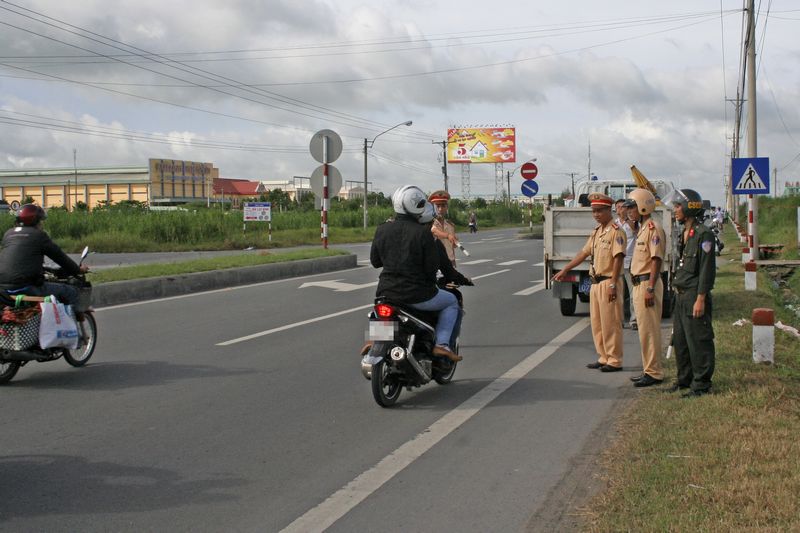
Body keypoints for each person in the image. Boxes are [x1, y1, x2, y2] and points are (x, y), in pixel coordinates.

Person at [368, 185, 462, 362]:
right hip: (417, 295)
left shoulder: (382, 229)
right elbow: (430, 269)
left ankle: (376, 341)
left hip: (386, 292)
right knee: (451, 301)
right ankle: (442, 345)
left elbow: (375, 262)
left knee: (381, 308)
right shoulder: (423, 233)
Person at [553, 193, 626, 372]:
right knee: (597, 323)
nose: (596, 214)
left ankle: (614, 360)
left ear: (609, 210)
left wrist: (613, 284)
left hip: (608, 281)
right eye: (593, 211)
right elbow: (583, 254)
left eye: (600, 211)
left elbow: (618, 259)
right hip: (595, 283)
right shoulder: (596, 232)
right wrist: (565, 269)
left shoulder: (616, 231)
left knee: (611, 324)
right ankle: (603, 357)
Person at [665, 188, 716, 397]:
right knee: (681, 342)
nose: (675, 210)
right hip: (681, 295)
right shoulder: (685, 233)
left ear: (688, 207)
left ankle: (701, 384)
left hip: (694, 295)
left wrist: (701, 299)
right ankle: (684, 379)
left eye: (678, 206)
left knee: (698, 341)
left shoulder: (703, 234)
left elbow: (706, 269)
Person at [0, 204, 89, 307]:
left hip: (3, 289)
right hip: (26, 288)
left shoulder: (8, 234)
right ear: (36, 221)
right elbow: (60, 258)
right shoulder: (39, 236)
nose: (42, 225)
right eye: (41, 221)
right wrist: (78, 270)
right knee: (71, 292)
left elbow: (19, 259)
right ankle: (73, 322)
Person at [625, 189, 667, 388]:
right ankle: (648, 368)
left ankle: (654, 372)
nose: (628, 211)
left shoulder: (653, 228)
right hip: (638, 284)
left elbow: (656, 259)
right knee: (644, 331)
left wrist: (650, 287)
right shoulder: (642, 228)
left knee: (650, 331)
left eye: (632, 207)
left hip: (646, 284)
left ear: (643, 207)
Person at [620, 199, 638, 329]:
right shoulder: (614, 224)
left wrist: (627, 219)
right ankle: (619, 320)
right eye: (619, 207)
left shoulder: (633, 223)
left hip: (630, 263)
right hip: (617, 264)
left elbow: (635, 231)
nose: (622, 209)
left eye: (624, 207)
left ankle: (634, 320)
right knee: (618, 295)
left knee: (633, 294)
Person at [428, 190, 458, 267]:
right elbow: (434, 231)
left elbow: (452, 247)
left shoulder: (450, 225)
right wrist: (448, 236)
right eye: (438, 206)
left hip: (449, 261)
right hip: (437, 262)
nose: (440, 209)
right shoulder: (429, 224)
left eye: (443, 206)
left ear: (447, 207)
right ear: (433, 208)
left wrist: (455, 241)